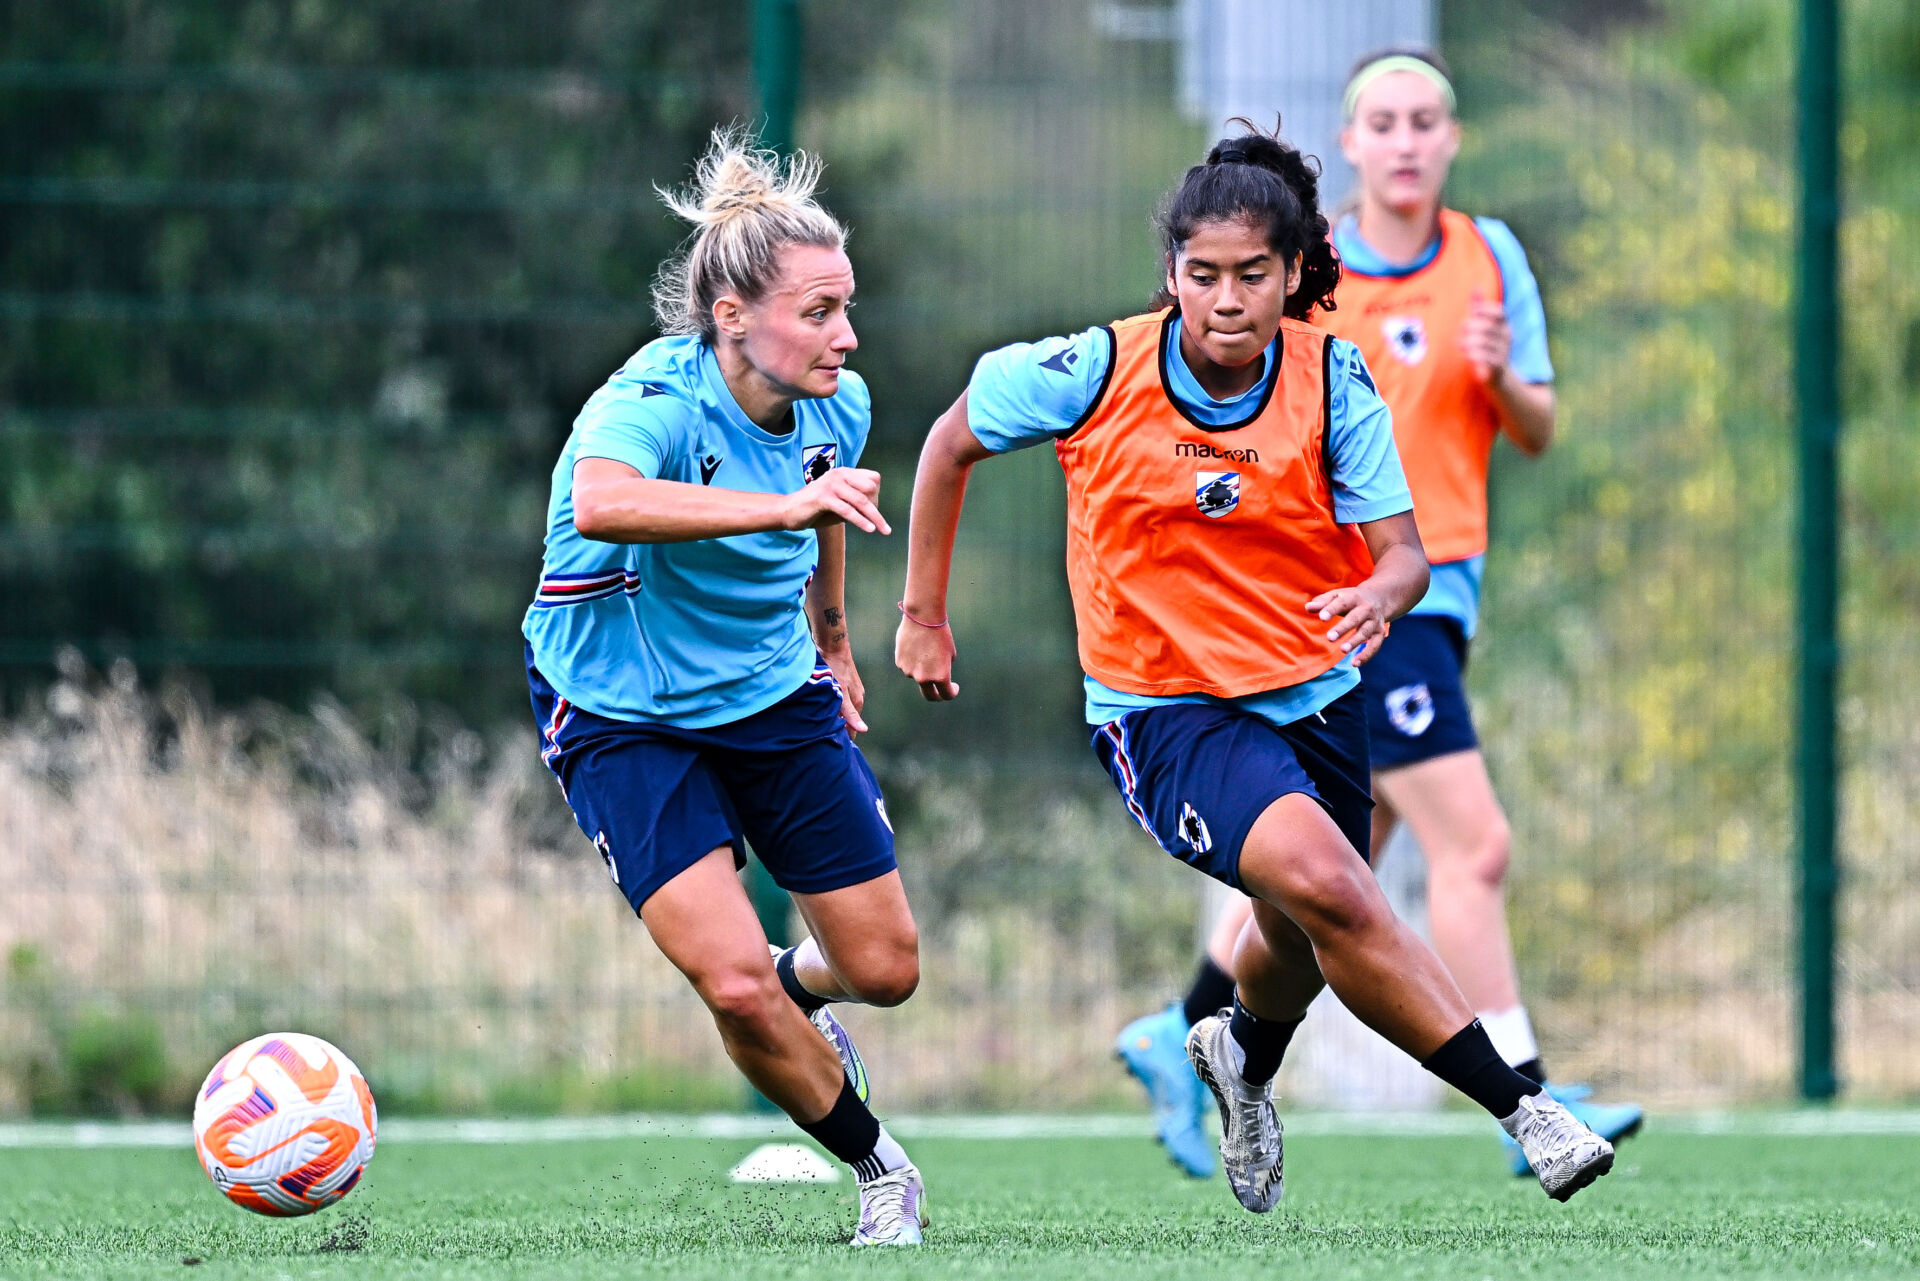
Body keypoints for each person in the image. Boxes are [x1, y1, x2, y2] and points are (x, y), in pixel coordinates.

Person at [895, 120, 1614, 1208]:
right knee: (1340, 889)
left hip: (1317, 700)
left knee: (1299, 935)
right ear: (1170, 275)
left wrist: (1379, 592)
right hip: (1166, 712)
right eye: (1202, 276)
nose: (1226, 300)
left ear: (1294, 277)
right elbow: (949, 443)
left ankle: (1241, 1061)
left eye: (1252, 276)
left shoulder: (1333, 379)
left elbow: (1407, 557)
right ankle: (1524, 1108)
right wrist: (921, 616)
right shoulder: (1093, 368)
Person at [1115, 49, 1643, 1179]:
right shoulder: (1300, 272)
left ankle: (1189, 1032)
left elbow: (1537, 429)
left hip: (1440, 586)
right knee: (1471, 843)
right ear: (1350, 147)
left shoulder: (1490, 257)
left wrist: (1502, 378)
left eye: (1425, 121)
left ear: (1453, 138)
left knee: (1336, 861)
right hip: (1353, 602)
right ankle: (1526, 1093)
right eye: (1384, 123)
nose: (1406, 141)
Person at [522, 128, 928, 1246]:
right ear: (731, 318)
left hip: (768, 689)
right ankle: (882, 1172)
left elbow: (827, 501)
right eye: (818, 312)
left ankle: (808, 997)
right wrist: (783, 510)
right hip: (619, 715)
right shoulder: (646, 402)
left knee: (884, 970)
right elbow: (604, 503)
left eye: (847, 308)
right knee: (733, 982)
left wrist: (834, 640)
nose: (844, 336)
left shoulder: (837, 401)